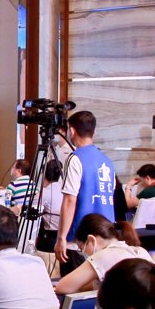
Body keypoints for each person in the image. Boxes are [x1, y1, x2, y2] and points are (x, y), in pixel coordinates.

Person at [55, 110, 117, 268]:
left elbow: (70, 201)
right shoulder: (107, 161)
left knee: (73, 283)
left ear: (71, 131)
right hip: (106, 238)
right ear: (94, 132)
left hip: (80, 240)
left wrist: (61, 237)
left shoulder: (75, 158)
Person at [54, 214, 150, 295]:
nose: (83, 254)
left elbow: (62, 288)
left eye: (82, 249)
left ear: (92, 240)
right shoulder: (141, 252)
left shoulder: (103, 256)